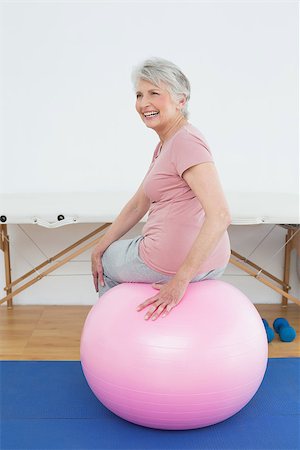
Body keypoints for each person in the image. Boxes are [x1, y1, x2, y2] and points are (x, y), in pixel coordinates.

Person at [91, 57, 231, 321]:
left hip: (170, 261)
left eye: (154, 93)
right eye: (139, 95)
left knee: (109, 261)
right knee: (106, 250)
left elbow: (221, 215)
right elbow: (138, 204)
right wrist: (99, 245)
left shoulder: (186, 142)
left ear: (181, 100)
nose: (144, 103)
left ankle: (116, 330)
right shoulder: (167, 145)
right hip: (212, 260)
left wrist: (180, 281)